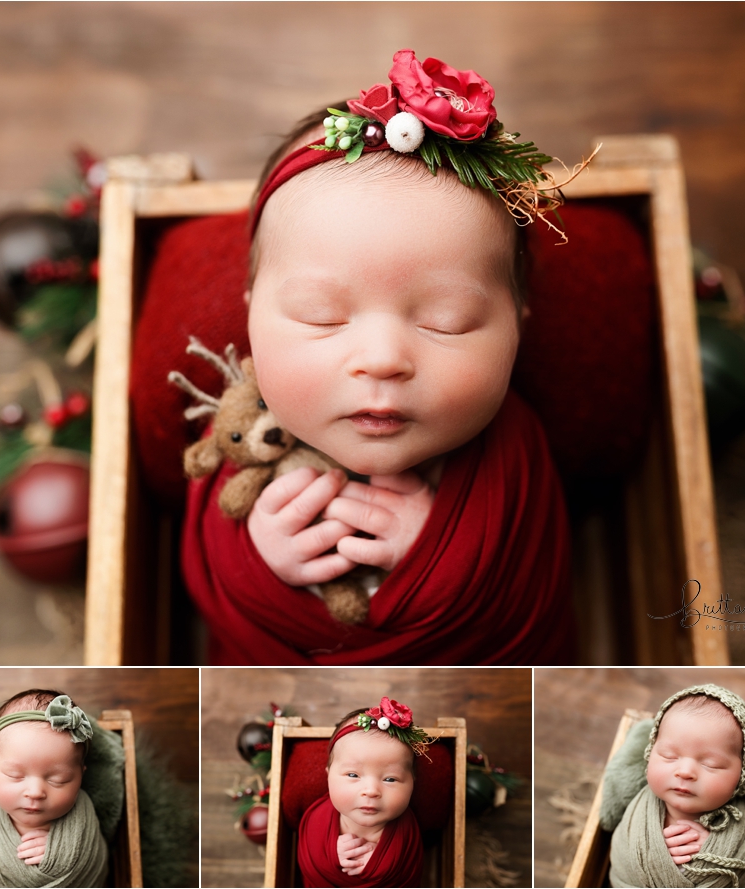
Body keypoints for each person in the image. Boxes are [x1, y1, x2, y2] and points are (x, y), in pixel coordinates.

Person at [183, 49, 575, 665]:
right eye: (322, 314)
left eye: (447, 321)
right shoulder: (241, 434)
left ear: (518, 326)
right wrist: (257, 554)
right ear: (252, 312)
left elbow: (529, 592)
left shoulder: (512, 454)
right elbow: (213, 568)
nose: (383, 359)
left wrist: (443, 561)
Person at [609, 684, 745, 888]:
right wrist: (654, 852)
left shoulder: (744, 824)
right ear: (651, 753)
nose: (685, 771)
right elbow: (621, 857)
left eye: (711, 764)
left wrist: (717, 851)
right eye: (669, 756)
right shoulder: (638, 812)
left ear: (743, 774)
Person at [0, 689, 108, 888]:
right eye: (15, 775)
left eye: (59, 779)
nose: (35, 792)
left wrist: (62, 852)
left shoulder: (84, 816)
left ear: (81, 775)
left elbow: (96, 858)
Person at [297, 698, 426, 887]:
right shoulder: (318, 819)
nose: (371, 791)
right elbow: (309, 857)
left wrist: (382, 864)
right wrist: (330, 853)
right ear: (328, 776)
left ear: (412, 783)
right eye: (353, 774)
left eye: (390, 779)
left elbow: (410, 872)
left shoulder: (406, 833)